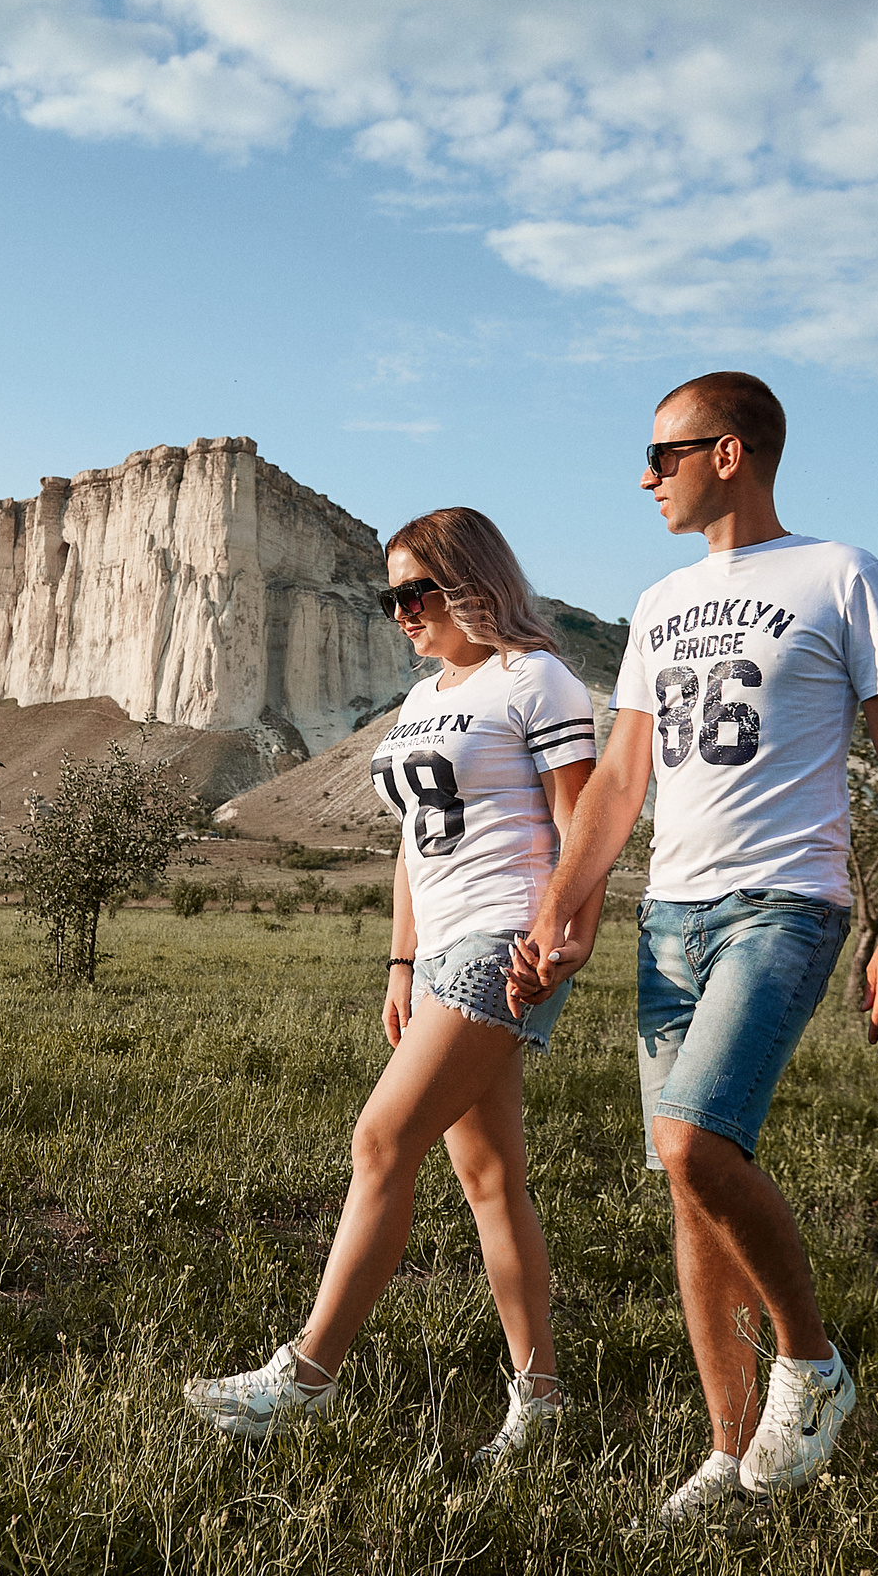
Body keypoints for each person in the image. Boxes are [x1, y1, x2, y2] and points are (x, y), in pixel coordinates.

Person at [510, 371, 878, 1523]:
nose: (644, 476)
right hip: (672, 915)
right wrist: (563, 901)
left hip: (785, 901)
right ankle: (729, 1448)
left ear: (731, 452)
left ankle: (813, 1361)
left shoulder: (840, 572)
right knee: (685, 1187)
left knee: (699, 1145)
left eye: (663, 454)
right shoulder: (656, 600)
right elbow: (617, 779)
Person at [183, 507, 605, 1465]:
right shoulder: (422, 700)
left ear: (471, 581)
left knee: (380, 1138)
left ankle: (306, 1376)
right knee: (491, 1179)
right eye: (391, 597)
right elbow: (413, 847)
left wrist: (567, 931)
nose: (401, 613)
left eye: (417, 591)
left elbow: (582, 825)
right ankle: (540, 1403)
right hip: (443, 951)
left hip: (508, 942)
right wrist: (400, 963)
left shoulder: (536, 678)